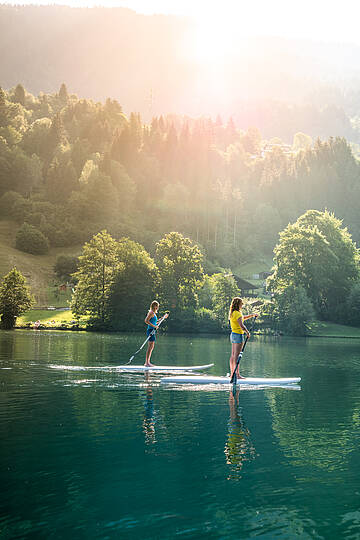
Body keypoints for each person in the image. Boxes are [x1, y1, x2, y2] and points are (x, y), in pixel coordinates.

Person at [228, 297, 257, 379]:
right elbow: (242, 326)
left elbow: (242, 318)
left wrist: (252, 315)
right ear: (238, 304)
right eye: (241, 303)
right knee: (236, 356)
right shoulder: (237, 313)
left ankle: (232, 374)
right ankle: (237, 375)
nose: (242, 305)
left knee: (233, 355)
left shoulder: (233, 313)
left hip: (233, 335)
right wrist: (247, 332)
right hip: (238, 335)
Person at [144, 301, 168, 367]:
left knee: (151, 346)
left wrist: (163, 318)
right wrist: (154, 326)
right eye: (156, 306)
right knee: (150, 347)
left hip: (152, 330)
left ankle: (147, 362)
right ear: (153, 306)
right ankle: (147, 363)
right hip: (150, 330)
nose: (157, 307)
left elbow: (155, 322)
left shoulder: (154, 313)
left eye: (157, 306)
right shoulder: (151, 312)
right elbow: (146, 320)